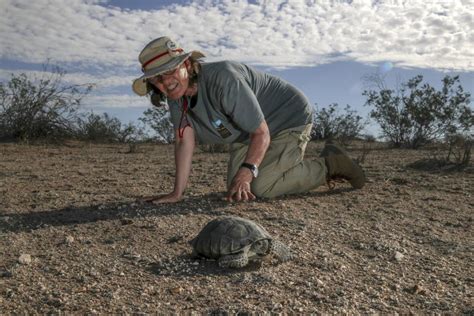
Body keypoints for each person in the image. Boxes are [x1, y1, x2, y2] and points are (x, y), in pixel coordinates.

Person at [132, 36, 365, 203]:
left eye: (170, 71)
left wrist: (248, 170)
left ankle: (331, 164)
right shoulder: (176, 97)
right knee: (238, 189)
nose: (165, 82)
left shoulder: (224, 79)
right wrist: (177, 193)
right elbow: (184, 141)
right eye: (156, 79)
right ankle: (279, 166)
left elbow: (262, 132)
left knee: (261, 187)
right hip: (248, 133)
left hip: (286, 117)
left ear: (185, 65)